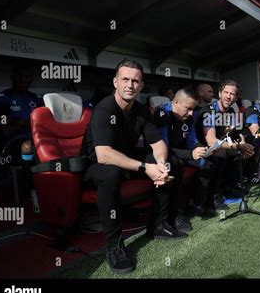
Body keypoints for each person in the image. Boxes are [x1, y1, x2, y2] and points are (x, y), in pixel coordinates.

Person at [80, 60, 186, 275]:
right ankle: (114, 246)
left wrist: (161, 165)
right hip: (95, 166)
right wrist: (145, 167)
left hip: (126, 160)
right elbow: (103, 154)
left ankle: (159, 223)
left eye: (135, 80)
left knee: (171, 161)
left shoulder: (141, 110)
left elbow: (158, 144)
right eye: (125, 79)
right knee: (111, 171)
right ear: (115, 82)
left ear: (141, 85)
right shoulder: (104, 109)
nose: (130, 84)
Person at [153, 87, 217, 218]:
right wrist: (190, 154)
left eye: (193, 109)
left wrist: (203, 149)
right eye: (188, 108)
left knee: (207, 161)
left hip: (181, 152)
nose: (191, 113)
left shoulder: (188, 118)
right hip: (162, 155)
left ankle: (197, 204)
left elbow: (192, 141)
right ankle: (174, 214)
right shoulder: (162, 114)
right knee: (176, 164)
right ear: (176, 102)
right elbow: (162, 147)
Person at [195, 80, 254, 202]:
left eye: (232, 94)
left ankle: (230, 187)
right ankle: (214, 194)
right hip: (202, 147)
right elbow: (212, 142)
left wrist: (243, 145)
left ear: (236, 97)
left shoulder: (231, 111)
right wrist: (238, 146)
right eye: (226, 92)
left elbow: (236, 133)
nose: (228, 96)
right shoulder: (209, 111)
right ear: (220, 94)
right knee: (221, 153)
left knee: (243, 150)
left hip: (220, 144)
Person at [0, 66, 44, 160]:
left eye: (27, 76)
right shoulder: (3, 98)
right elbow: (5, 131)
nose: (24, 80)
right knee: (28, 146)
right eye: (20, 76)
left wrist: (20, 122)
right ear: (13, 77)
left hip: (37, 137)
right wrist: (25, 124)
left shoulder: (37, 99)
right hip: (14, 141)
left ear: (31, 79)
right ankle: (28, 173)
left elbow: (45, 125)